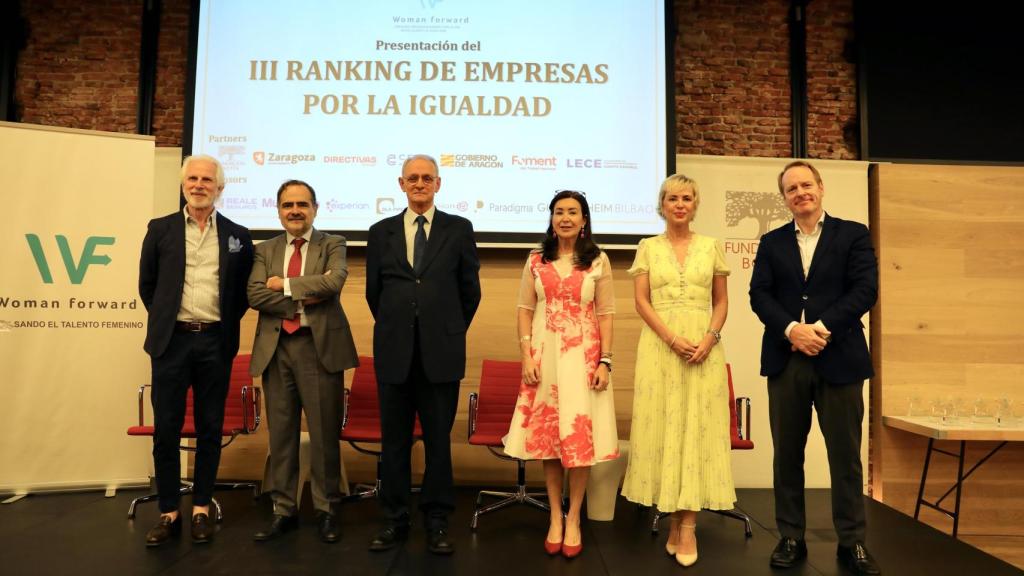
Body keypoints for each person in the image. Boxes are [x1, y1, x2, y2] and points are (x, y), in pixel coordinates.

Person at [749, 161, 880, 575]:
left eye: (807, 184)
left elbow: (865, 290)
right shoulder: (771, 242)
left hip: (839, 356)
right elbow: (760, 296)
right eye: (791, 188)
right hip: (786, 361)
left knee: (845, 457)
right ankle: (790, 536)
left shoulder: (853, 234)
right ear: (784, 197)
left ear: (821, 188)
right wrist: (792, 331)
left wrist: (818, 329)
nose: (800, 192)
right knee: (787, 454)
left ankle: (852, 542)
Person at [365, 154, 481, 555]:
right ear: (401, 184)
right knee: (393, 444)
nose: (419, 184)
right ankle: (395, 520)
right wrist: (403, 325)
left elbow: (470, 292)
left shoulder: (458, 229)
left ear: (438, 184)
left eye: (426, 178)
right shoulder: (380, 232)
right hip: (394, 354)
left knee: (437, 443)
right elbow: (374, 294)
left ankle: (436, 521)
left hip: (441, 356)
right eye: (412, 178)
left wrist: (443, 329)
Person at [138, 154, 254, 546]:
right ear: (183, 184)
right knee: (166, 429)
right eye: (193, 178)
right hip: (171, 343)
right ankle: (169, 511)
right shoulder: (160, 229)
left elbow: (240, 295)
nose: (199, 184)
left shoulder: (239, 234)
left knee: (209, 428)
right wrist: (172, 321)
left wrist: (215, 325)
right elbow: (148, 287)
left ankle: (202, 506)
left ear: (219, 188)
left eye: (207, 179)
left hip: (215, 342)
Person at [620, 174, 735, 567]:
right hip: (659, 347)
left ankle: (688, 527)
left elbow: (721, 302)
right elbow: (641, 302)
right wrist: (671, 338)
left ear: (695, 203)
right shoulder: (647, 247)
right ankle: (673, 519)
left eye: (687, 198)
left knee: (696, 431)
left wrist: (710, 338)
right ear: (662, 204)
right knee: (667, 430)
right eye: (673, 198)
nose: (680, 204)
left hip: (703, 350)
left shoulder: (711, 247)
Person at [503, 190, 619, 559]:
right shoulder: (535, 260)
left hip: (584, 362)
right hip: (544, 358)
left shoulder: (598, 261)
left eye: (572, 212)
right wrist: (526, 355)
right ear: (551, 219)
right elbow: (524, 309)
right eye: (558, 212)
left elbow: (607, 315)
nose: (565, 218)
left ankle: (574, 517)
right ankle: (554, 515)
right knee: (550, 439)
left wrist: (606, 361)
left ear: (584, 220)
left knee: (578, 440)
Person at [247, 180, 358, 543]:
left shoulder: (333, 244)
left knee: (325, 434)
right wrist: (303, 293)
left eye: (302, 204)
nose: (295, 210)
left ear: (315, 208)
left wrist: (284, 284)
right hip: (276, 350)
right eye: (288, 204)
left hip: (318, 348)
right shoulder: (264, 249)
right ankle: (283, 510)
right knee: (281, 436)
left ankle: (327, 510)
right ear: (278, 209)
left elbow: (334, 284)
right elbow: (254, 293)